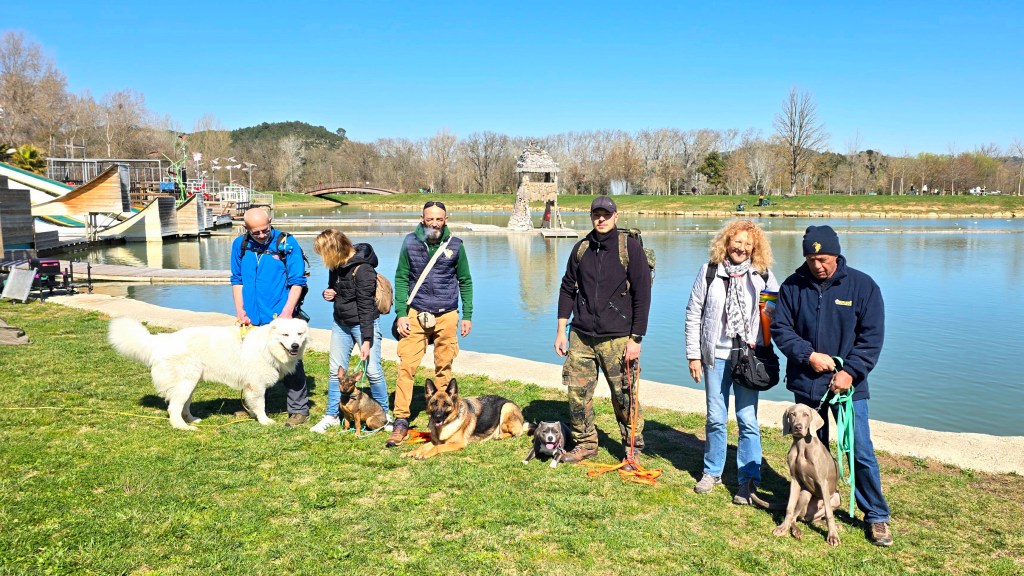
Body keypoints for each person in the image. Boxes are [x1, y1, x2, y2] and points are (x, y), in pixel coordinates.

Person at [771, 225, 894, 547]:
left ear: (837, 255)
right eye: (811, 259)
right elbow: (781, 330)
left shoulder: (863, 287)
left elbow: (871, 337)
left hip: (849, 389)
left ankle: (877, 516)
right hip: (808, 387)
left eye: (823, 258)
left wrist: (851, 371)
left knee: (862, 453)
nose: (817, 265)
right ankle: (818, 504)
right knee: (812, 455)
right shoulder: (793, 286)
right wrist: (808, 355)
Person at [554, 196, 652, 468]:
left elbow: (643, 295)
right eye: (596, 214)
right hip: (581, 336)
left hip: (618, 338)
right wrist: (561, 330)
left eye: (606, 214)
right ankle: (585, 444)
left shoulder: (629, 248)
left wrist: (636, 338)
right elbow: (567, 288)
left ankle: (632, 449)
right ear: (591, 216)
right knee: (577, 394)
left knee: (625, 397)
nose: (601, 219)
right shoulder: (581, 249)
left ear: (615, 216)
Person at [685, 220, 779, 503]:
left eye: (748, 244)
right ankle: (712, 471)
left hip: (747, 358)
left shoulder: (763, 276)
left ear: (755, 248)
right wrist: (693, 355)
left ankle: (748, 479)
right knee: (715, 417)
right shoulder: (709, 272)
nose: (741, 248)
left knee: (747, 419)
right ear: (725, 243)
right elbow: (693, 314)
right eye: (736, 242)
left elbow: (772, 318)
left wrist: (764, 348)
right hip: (715, 355)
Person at [386, 200, 473, 447]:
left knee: (444, 367)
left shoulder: (456, 245)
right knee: (406, 367)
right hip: (416, 313)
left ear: (446, 220)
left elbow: (465, 281)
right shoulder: (410, 242)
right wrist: (401, 313)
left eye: (439, 219)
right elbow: (401, 278)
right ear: (422, 218)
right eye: (430, 219)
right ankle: (401, 420)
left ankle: (442, 416)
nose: (434, 223)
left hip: (447, 314)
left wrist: (467, 315)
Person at [230, 207, 310, 426]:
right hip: (252, 317)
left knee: (291, 360)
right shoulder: (240, 245)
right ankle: (252, 406)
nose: (262, 235)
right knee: (249, 361)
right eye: (256, 232)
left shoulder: (287, 243)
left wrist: (287, 313)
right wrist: (240, 311)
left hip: (279, 315)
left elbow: (297, 281)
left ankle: (298, 409)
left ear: (270, 222)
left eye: (265, 230)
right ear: (246, 229)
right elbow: (236, 279)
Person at [309, 229, 392, 433]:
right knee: (334, 371)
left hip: (364, 324)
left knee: (372, 371)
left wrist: (366, 340)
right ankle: (332, 415)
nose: (322, 258)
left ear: (335, 249)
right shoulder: (336, 265)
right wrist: (328, 293)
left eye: (323, 252)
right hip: (341, 323)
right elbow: (335, 289)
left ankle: (384, 414)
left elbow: (365, 306)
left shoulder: (363, 270)